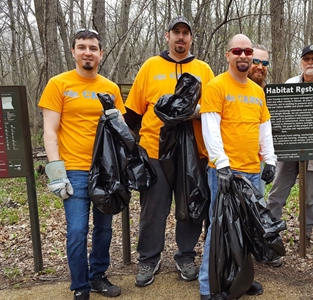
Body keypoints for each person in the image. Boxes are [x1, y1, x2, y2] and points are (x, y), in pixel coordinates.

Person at [124, 16, 215, 287]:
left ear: (191, 38)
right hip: (154, 151)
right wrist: (147, 139)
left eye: (185, 33)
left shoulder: (204, 70)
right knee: (153, 207)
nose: (181, 37)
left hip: (192, 153)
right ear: (167, 36)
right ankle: (149, 259)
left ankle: (186, 255)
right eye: (176, 32)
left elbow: (212, 112)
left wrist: (192, 112)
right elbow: (132, 114)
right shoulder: (151, 66)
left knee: (190, 205)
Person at [39, 29, 124, 300]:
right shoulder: (59, 84)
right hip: (73, 170)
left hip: (105, 172)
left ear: (100, 53)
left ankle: (98, 276)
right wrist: (55, 171)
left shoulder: (109, 88)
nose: (88, 52)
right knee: (77, 231)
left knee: (104, 228)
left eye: (93, 48)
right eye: (82, 47)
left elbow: (119, 130)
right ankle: (80, 286)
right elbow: (50, 131)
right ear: (74, 51)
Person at [198, 34, 277, 300]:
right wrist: (222, 165)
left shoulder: (257, 92)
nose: (243, 56)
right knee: (220, 228)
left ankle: (241, 279)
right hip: (226, 173)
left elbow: (264, 129)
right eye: (237, 51)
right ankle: (208, 286)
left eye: (247, 51)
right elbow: (210, 129)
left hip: (253, 171)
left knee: (247, 228)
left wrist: (271, 160)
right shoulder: (216, 86)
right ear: (228, 54)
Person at [267, 44, 313, 240]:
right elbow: (277, 118)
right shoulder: (289, 84)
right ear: (301, 62)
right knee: (277, 193)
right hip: (289, 150)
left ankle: (306, 232)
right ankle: (272, 230)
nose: (311, 63)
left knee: (309, 198)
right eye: (307, 59)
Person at [246, 44, 284, 268]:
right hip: (232, 162)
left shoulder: (266, 92)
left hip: (259, 162)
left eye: (265, 63)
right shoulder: (234, 86)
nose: (260, 67)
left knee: (257, 206)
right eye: (256, 62)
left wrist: (270, 160)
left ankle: (259, 248)